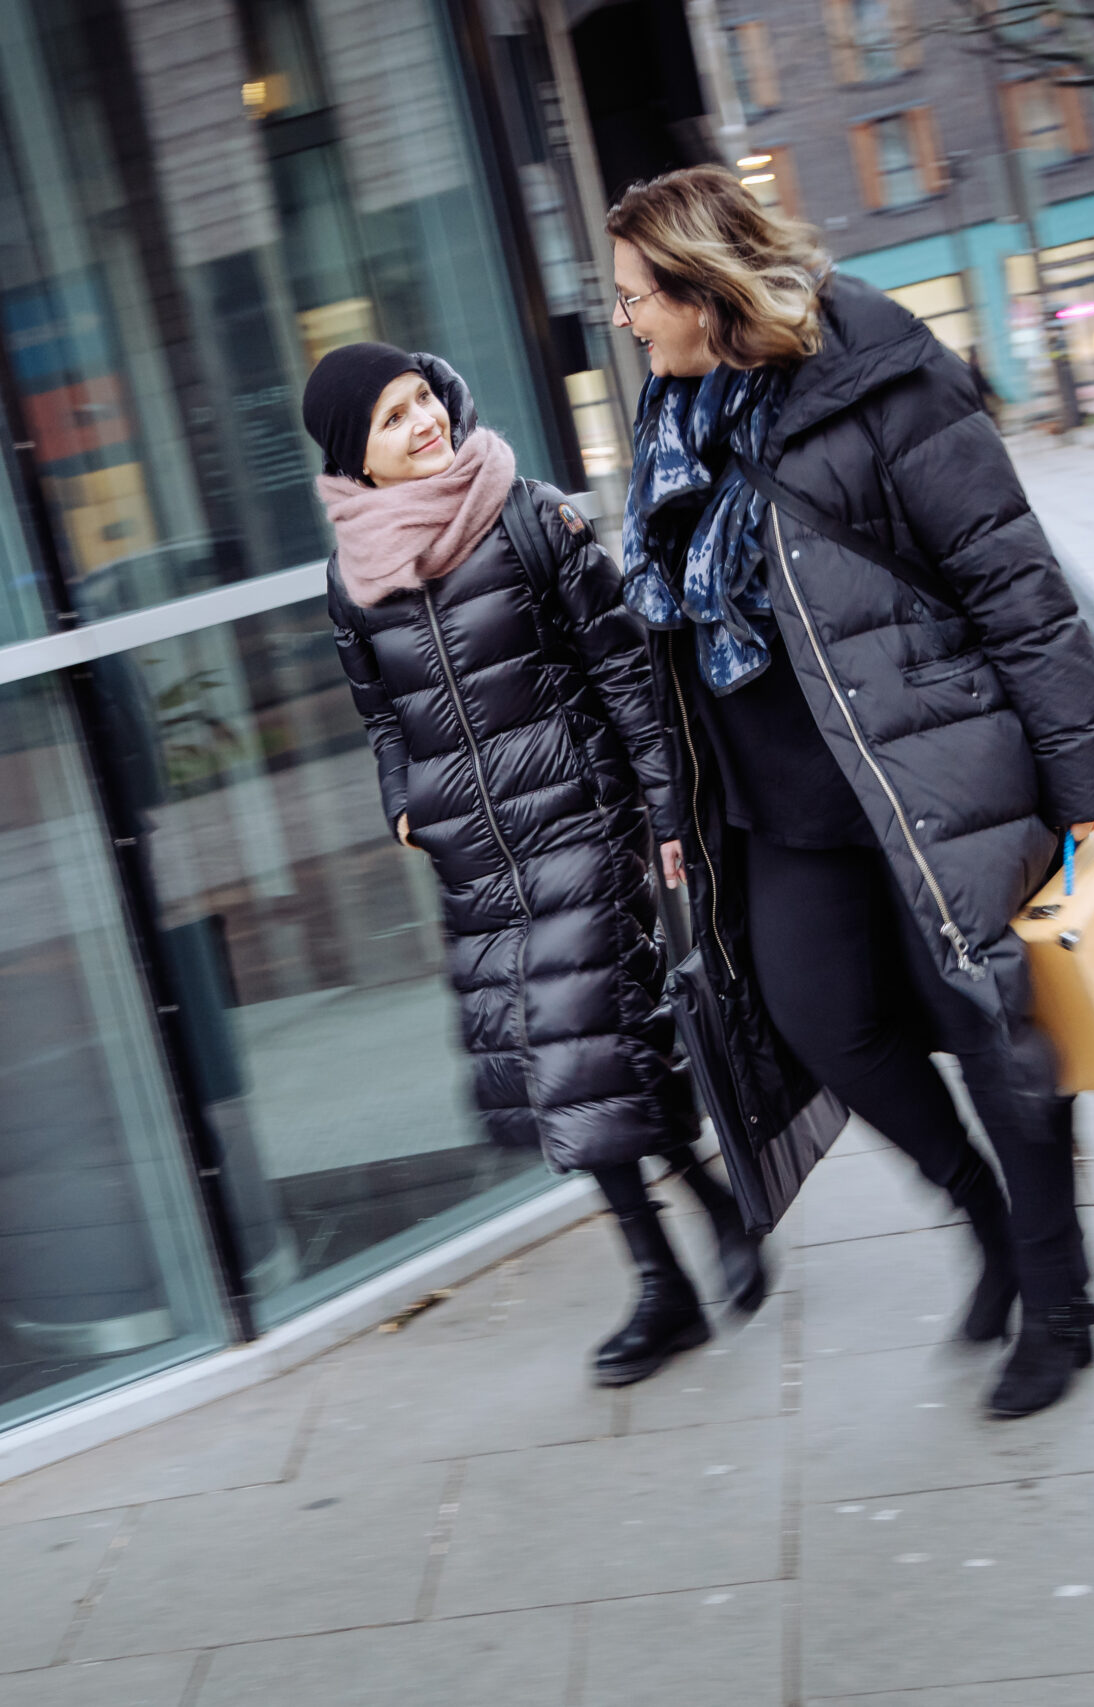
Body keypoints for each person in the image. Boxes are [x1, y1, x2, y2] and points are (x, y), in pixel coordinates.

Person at [605, 165, 1094, 1418]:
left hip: (922, 764)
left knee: (999, 1033)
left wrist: (1084, 792)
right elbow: (668, 635)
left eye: (633, 296)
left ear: (699, 286)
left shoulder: (876, 375)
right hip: (781, 796)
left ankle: (1060, 1300)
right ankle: (988, 1223)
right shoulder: (673, 414)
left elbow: (1015, 582)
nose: (621, 319)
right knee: (823, 1023)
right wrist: (674, 813)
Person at [306, 339, 760, 1388]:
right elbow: (378, 712)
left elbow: (627, 673)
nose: (422, 424)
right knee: (573, 1073)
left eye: (423, 400)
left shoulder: (527, 514)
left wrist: (666, 814)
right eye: (391, 419)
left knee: (576, 1058)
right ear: (353, 459)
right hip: (476, 860)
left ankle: (667, 1279)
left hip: (577, 829)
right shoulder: (351, 576)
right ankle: (703, 1230)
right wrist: (401, 799)